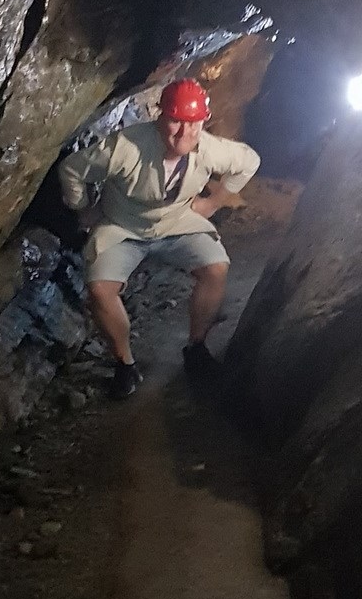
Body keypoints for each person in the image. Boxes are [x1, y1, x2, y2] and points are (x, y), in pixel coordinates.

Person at [59, 79, 260, 398]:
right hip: (123, 227)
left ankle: (196, 348)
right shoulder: (125, 147)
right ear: (160, 117)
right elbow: (72, 169)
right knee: (100, 289)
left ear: (204, 121)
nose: (185, 133)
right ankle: (125, 364)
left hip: (177, 222)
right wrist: (81, 209)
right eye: (176, 121)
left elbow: (249, 162)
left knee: (216, 268)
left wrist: (213, 202)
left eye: (193, 123)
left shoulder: (209, 149)